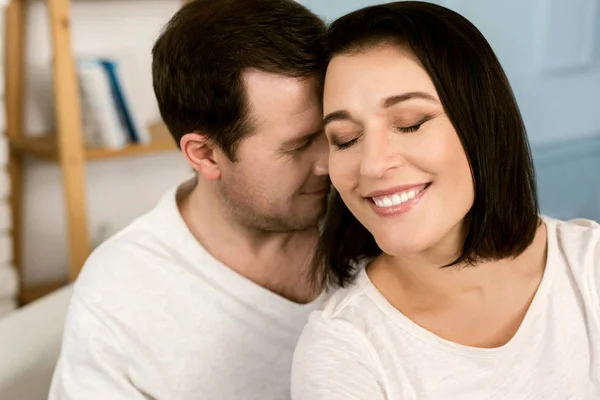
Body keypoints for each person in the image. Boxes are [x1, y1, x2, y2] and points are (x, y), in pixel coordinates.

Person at [291, 2, 600, 399]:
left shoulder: (589, 268)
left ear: (481, 124)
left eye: (410, 124)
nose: (372, 164)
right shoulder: (345, 350)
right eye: (346, 139)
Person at [49, 0, 330, 398]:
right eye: (298, 145)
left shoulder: (373, 220)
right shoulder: (121, 295)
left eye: (335, 131)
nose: (330, 162)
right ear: (205, 154)